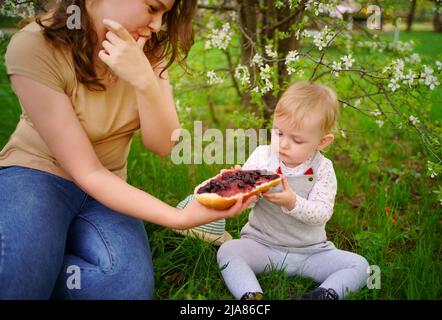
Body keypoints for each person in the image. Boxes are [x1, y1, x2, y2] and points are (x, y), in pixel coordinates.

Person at [0, 0, 254, 300]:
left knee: (124, 288)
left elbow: (162, 144)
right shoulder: (34, 46)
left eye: (165, 14)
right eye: (152, 8)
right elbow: (86, 171)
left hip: (110, 186)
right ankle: (39, 256)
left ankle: (46, 256)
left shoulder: (146, 47)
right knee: (16, 280)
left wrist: (145, 81)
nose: (158, 25)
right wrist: (179, 218)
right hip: (35, 174)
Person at [216, 81, 370, 300]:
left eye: (296, 140)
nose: (284, 144)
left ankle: (321, 296)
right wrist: (239, 187)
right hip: (261, 245)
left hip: (311, 252)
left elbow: (322, 214)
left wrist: (293, 202)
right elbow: (247, 204)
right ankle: (252, 297)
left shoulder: (323, 170)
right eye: (278, 133)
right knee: (229, 251)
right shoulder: (262, 156)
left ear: (322, 142)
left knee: (360, 266)